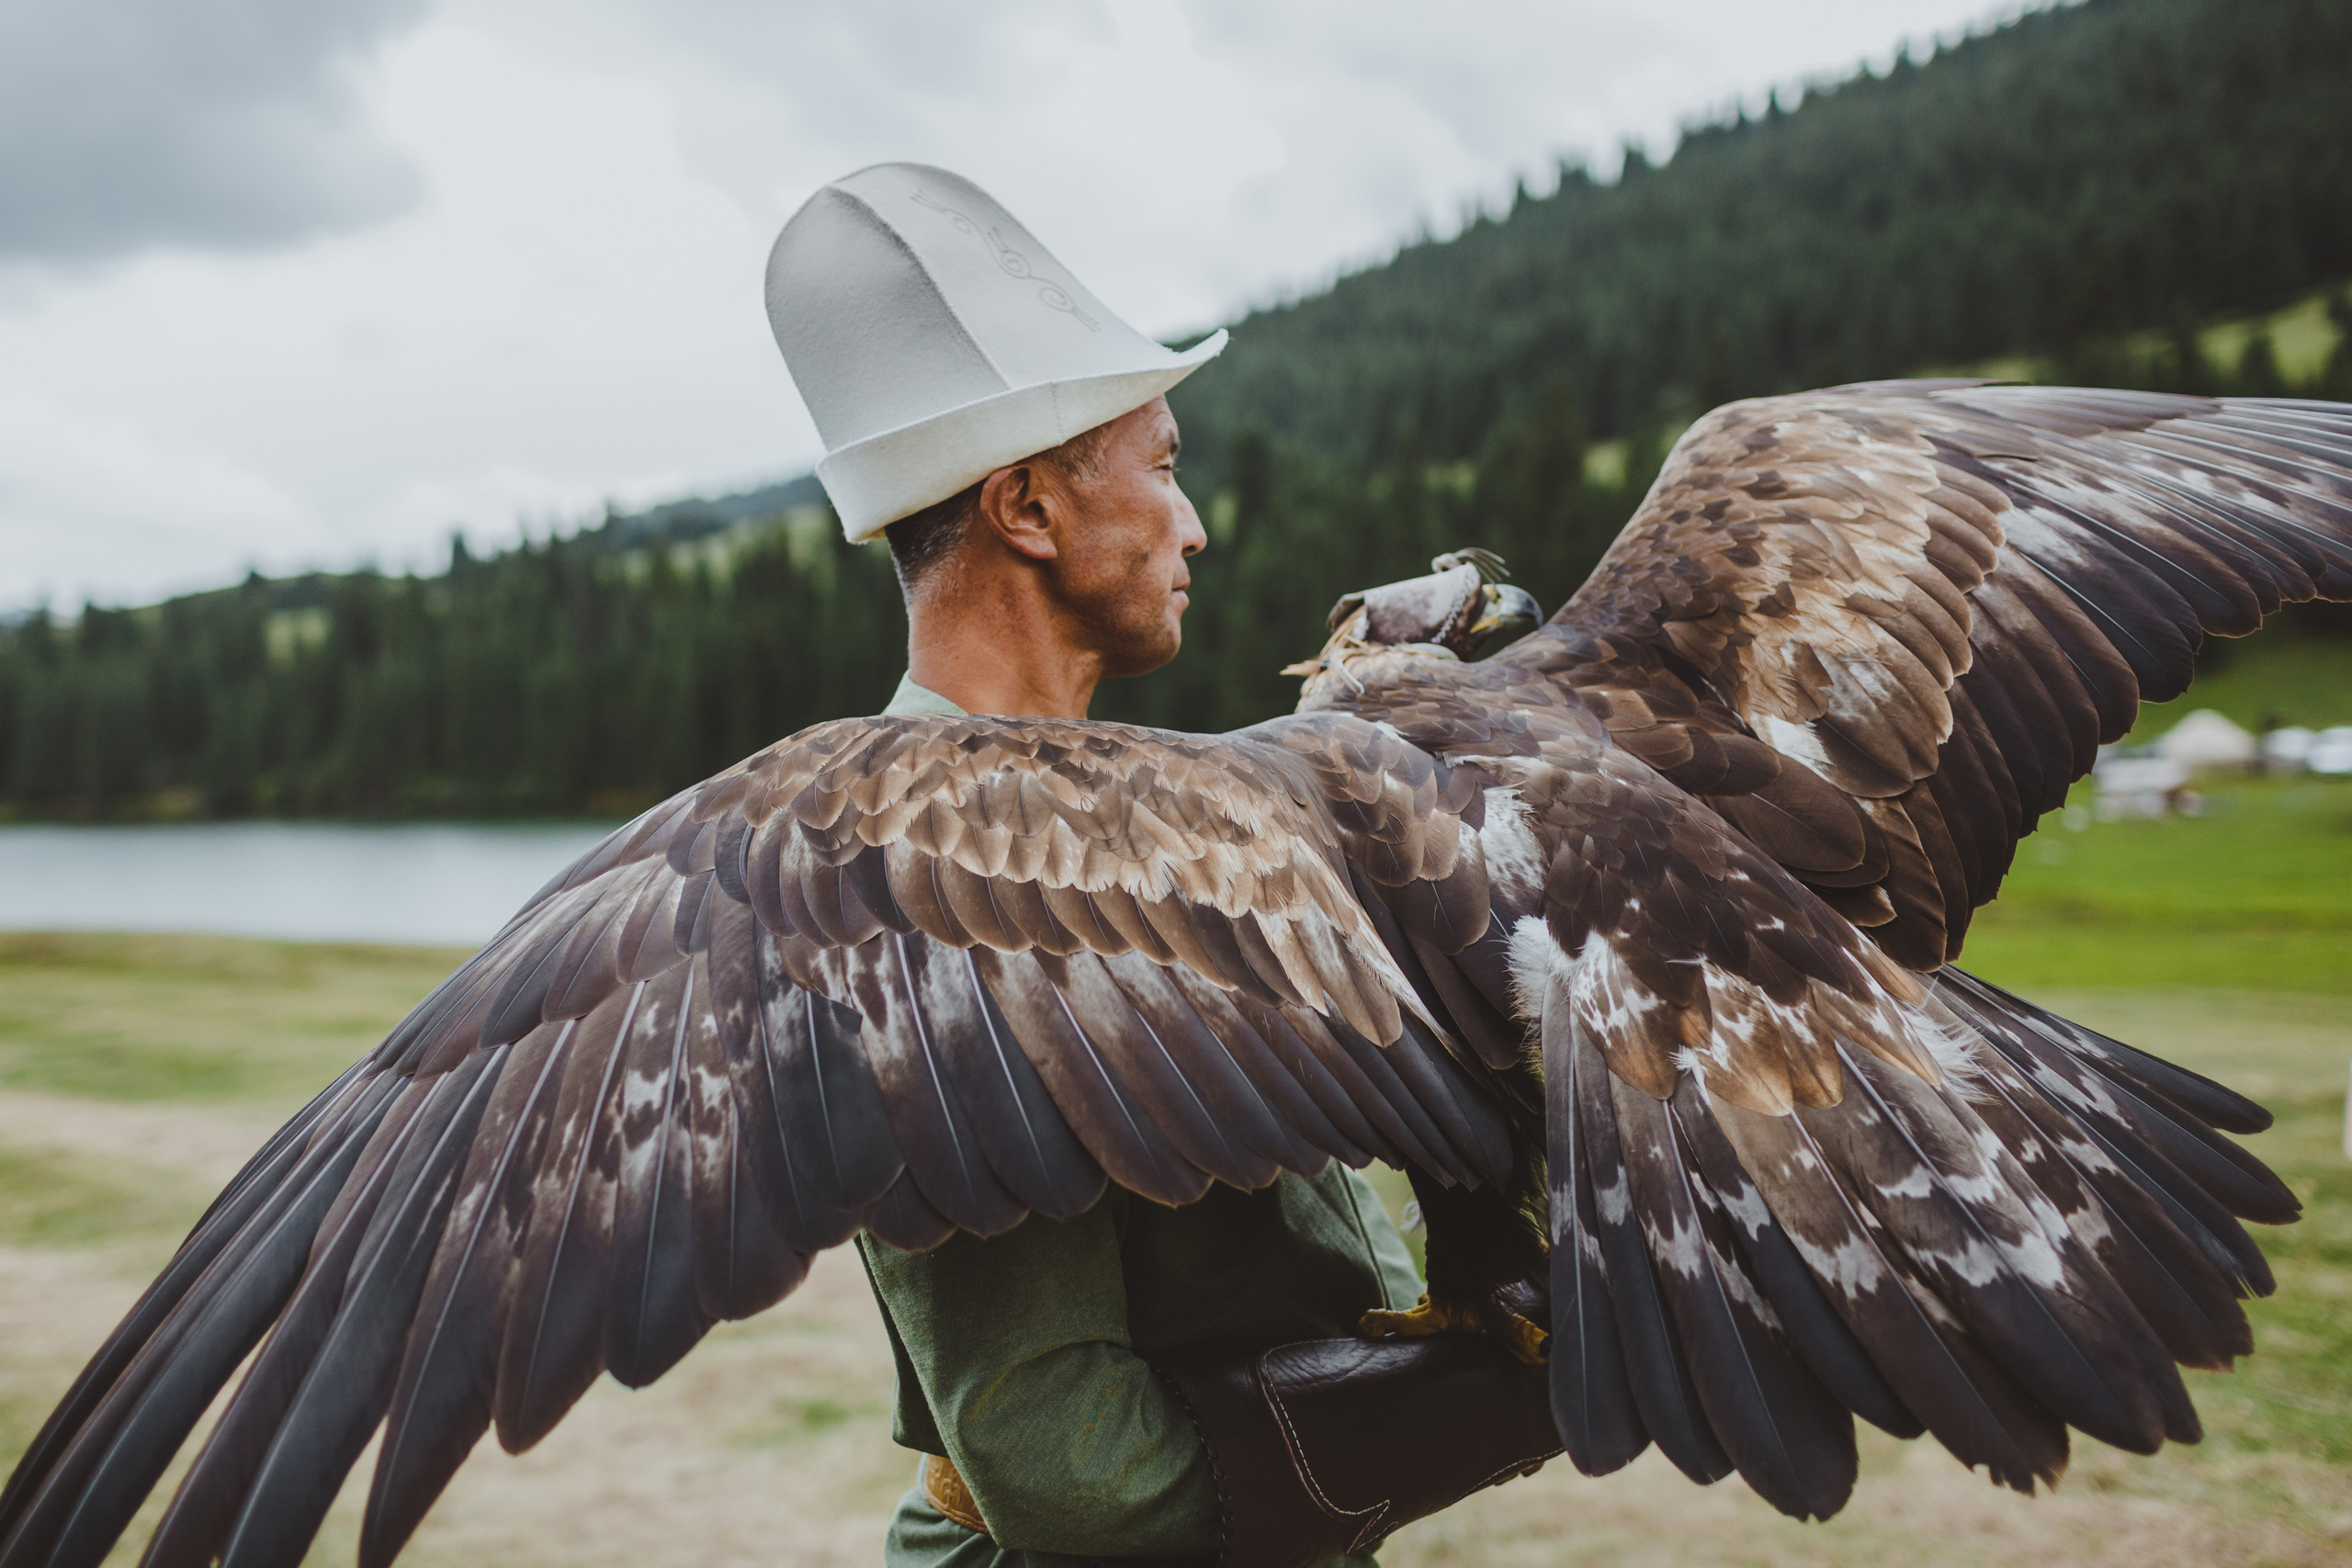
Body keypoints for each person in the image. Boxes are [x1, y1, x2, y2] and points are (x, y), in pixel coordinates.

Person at [764, 164, 1552, 1568]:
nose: (1194, 526)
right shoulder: (927, 880)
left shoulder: (1100, 814)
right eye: (1166, 466)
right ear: (1028, 508)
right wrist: (1513, 1399)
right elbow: (1066, 1463)